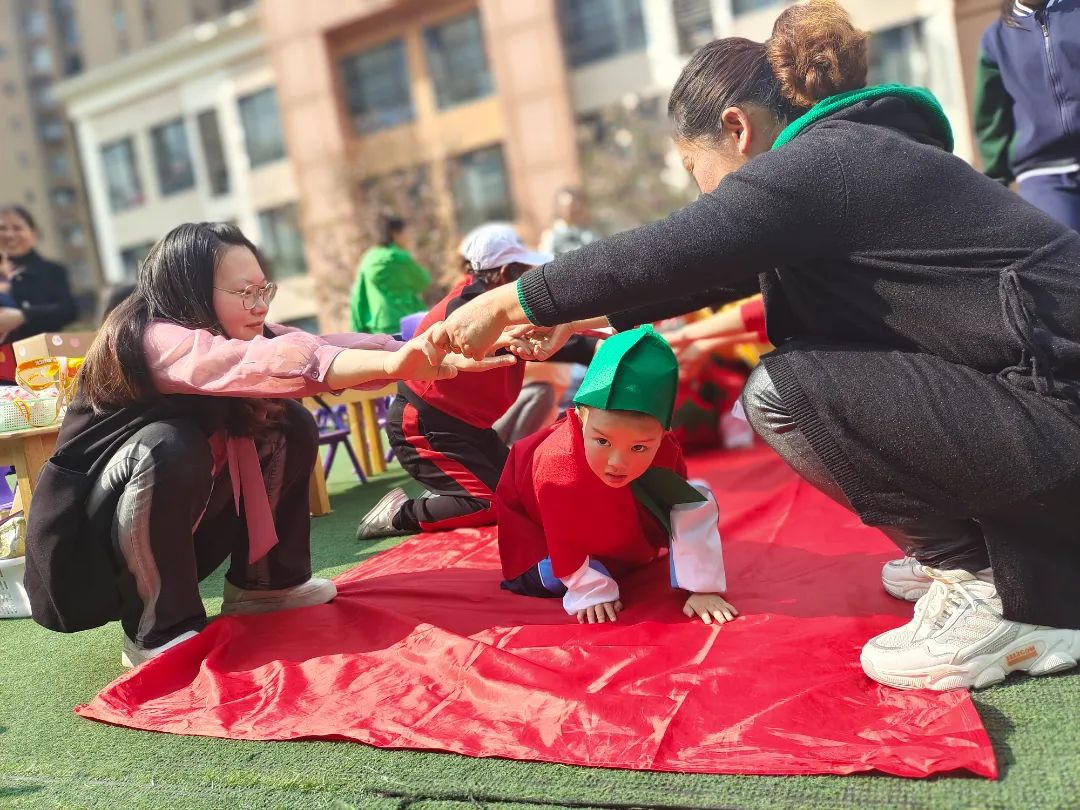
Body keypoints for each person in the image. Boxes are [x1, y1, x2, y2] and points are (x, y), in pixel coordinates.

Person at [431, 0, 1080, 691]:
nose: (701, 194)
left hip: (1057, 432)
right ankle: (986, 554)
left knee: (785, 393)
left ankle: (999, 590)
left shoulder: (825, 165)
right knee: (804, 361)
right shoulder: (858, 157)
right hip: (1047, 423)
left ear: (736, 129)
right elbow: (716, 266)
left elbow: (679, 247)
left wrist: (511, 299)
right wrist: (576, 319)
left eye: (694, 170)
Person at [23, 222, 511, 667]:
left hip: (173, 526)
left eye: (264, 289)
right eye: (243, 292)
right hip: (90, 550)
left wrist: (434, 344)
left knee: (286, 423)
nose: (261, 305)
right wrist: (397, 365)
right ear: (187, 291)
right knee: (168, 445)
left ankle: (267, 584)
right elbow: (262, 363)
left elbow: (316, 345)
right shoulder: (151, 338)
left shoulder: (230, 330)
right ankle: (157, 628)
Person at [355, 224, 592, 541]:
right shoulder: (468, 307)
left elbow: (545, 339)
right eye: (527, 271)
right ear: (506, 272)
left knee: (518, 493)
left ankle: (450, 494)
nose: (532, 279)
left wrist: (595, 344)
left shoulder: (496, 305)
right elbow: (517, 338)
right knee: (488, 503)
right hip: (424, 426)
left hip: (468, 426)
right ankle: (400, 515)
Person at [498, 326, 736, 626]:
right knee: (550, 574)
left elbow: (683, 506)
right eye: (602, 441)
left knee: (696, 496)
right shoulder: (558, 460)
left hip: (621, 543)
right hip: (547, 547)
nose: (617, 462)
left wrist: (702, 587)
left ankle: (625, 562)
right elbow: (561, 536)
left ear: (663, 433)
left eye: (639, 447)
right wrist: (590, 590)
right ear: (580, 415)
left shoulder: (664, 448)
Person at [974, 0, 1080, 231]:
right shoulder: (996, 39)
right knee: (1063, 257)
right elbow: (992, 120)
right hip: (1043, 173)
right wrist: (995, 181)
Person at [0, 205, 78, 378]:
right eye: (3, 228)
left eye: (17, 228)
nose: (9, 234)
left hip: (45, 366)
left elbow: (68, 310)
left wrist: (23, 316)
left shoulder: (52, 271)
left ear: (33, 233)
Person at [350, 214, 431, 334]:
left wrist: (357, 326)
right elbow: (423, 281)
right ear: (395, 234)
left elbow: (358, 294)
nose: (408, 238)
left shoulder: (368, 258)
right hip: (404, 322)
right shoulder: (399, 258)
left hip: (375, 324)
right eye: (406, 234)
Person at [538, 187, 599, 257]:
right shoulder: (550, 235)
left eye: (572, 205)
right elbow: (544, 259)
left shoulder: (586, 232)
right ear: (558, 207)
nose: (569, 210)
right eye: (565, 206)